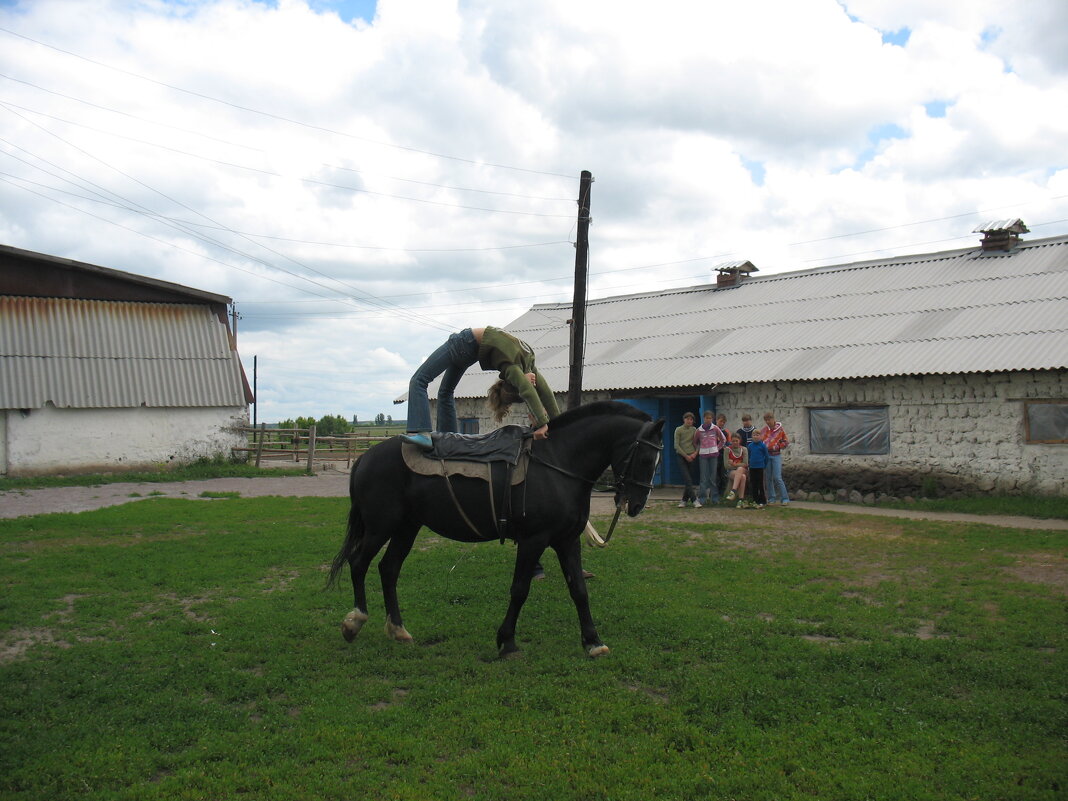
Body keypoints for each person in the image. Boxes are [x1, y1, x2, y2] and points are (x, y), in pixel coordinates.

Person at [404, 326, 559, 448]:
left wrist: (543, 423)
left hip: (465, 342)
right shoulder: (527, 364)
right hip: (470, 352)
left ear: (512, 381)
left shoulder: (515, 367)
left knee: (418, 380)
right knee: (445, 392)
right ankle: (449, 438)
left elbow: (529, 392)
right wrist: (557, 422)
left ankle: (422, 432)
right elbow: (545, 392)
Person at [694, 411, 726, 506]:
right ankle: (702, 499)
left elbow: (723, 439)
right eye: (707, 418)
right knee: (703, 478)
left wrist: (717, 448)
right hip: (703, 456)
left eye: (710, 418)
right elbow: (695, 442)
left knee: (713, 477)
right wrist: (699, 450)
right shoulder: (699, 430)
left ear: (712, 419)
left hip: (713, 456)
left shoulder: (715, 428)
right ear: (703, 418)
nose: (708, 420)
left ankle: (714, 498)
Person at [761, 411, 790, 505]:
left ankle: (785, 498)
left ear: (773, 419)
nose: (768, 422)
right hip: (767, 455)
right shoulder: (764, 430)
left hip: (776, 455)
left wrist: (777, 446)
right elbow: (761, 441)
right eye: (766, 420)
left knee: (777, 477)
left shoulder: (780, 430)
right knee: (768, 477)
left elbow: (786, 441)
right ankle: (771, 498)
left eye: (769, 419)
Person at [673, 412, 700, 508]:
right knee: (687, 479)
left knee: (689, 480)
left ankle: (684, 500)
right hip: (682, 456)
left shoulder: (694, 430)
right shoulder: (679, 430)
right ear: (684, 419)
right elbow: (676, 445)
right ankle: (694, 500)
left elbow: (698, 443)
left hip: (692, 456)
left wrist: (695, 453)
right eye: (687, 419)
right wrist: (685, 456)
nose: (689, 421)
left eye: (691, 419)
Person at [723, 434, 749, 506]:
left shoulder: (744, 449)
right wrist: (739, 465)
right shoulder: (727, 450)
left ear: (739, 441)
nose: (735, 442)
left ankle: (733, 491)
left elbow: (745, 464)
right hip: (731, 471)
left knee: (740, 469)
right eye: (733, 441)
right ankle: (741, 500)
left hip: (743, 469)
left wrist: (734, 464)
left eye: (736, 441)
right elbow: (726, 465)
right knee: (742, 477)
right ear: (731, 441)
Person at [747, 429, 769, 508]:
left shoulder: (762, 446)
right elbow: (749, 455)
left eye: (757, 435)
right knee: (754, 484)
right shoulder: (750, 446)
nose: (755, 437)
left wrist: (764, 465)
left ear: (760, 436)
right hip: (752, 467)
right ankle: (755, 500)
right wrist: (749, 464)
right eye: (754, 435)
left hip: (760, 467)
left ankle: (763, 500)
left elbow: (766, 456)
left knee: (761, 484)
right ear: (752, 436)